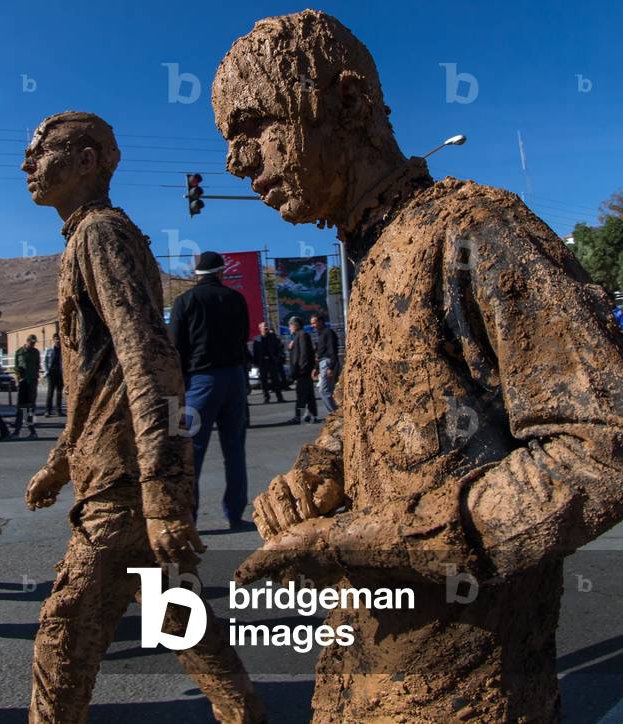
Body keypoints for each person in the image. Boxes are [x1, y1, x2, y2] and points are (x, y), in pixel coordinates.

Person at [213, 10, 623, 722]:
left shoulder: (474, 229)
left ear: (346, 102)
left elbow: (599, 447)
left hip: (471, 694)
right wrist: (318, 470)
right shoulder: (373, 260)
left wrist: (376, 539)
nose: (238, 163)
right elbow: (374, 414)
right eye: (230, 141)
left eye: (254, 126)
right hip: (362, 673)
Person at [21, 110, 264, 723]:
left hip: (125, 483)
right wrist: (58, 464)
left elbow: (147, 358)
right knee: (175, 611)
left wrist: (162, 494)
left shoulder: (102, 235)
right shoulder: (84, 239)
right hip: (107, 468)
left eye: (42, 150)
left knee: (63, 633)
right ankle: (243, 712)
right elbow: (94, 380)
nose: (27, 164)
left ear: (86, 161)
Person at [168, 250, 253, 530]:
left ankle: (188, 517)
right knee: (234, 449)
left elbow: (176, 346)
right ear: (220, 272)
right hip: (235, 378)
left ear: (197, 275)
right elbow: (244, 338)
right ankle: (235, 513)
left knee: (191, 451)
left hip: (200, 382)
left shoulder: (185, 301)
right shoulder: (236, 299)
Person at [285, 316, 318, 424]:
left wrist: (301, 369)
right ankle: (313, 415)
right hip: (302, 371)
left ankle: (298, 417)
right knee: (308, 395)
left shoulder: (302, 335)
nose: (289, 328)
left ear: (295, 325)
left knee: (301, 396)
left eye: (290, 325)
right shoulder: (296, 336)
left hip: (302, 372)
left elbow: (304, 354)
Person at [12, 334, 40, 439]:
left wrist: (36, 378)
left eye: (34, 343)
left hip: (32, 382)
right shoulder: (19, 352)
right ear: (27, 341)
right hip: (22, 382)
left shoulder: (36, 352)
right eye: (31, 342)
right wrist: (18, 377)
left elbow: (37, 366)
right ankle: (19, 431)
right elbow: (16, 367)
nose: (33, 344)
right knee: (21, 407)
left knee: (29, 408)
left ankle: (29, 431)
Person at [251, 321, 286, 403]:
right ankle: (266, 398)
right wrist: (256, 363)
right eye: (264, 326)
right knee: (264, 381)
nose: (266, 328)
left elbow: (278, 348)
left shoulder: (272, 336)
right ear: (260, 329)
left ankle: (279, 397)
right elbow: (255, 352)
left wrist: (277, 358)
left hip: (272, 361)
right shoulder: (257, 339)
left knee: (276, 380)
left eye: (267, 326)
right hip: (262, 362)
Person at [310, 313, 339, 414]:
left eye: (314, 323)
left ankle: (335, 413)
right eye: (311, 323)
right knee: (326, 390)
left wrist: (330, 367)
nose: (312, 325)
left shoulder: (328, 333)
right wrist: (316, 368)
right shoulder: (321, 334)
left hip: (327, 363)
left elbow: (332, 350)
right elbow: (320, 353)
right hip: (323, 364)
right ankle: (334, 412)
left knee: (324, 391)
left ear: (320, 322)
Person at [43, 333, 64, 416]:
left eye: (59, 338)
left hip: (60, 373)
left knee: (59, 392)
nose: (58, 340)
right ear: (53, 339)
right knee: (50, 392)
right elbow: (44, 361)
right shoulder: (49, 349)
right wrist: (46, 371)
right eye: (56, 338)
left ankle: (58, 410)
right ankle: (48, 410)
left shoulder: (63, 350)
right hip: (51, 373)